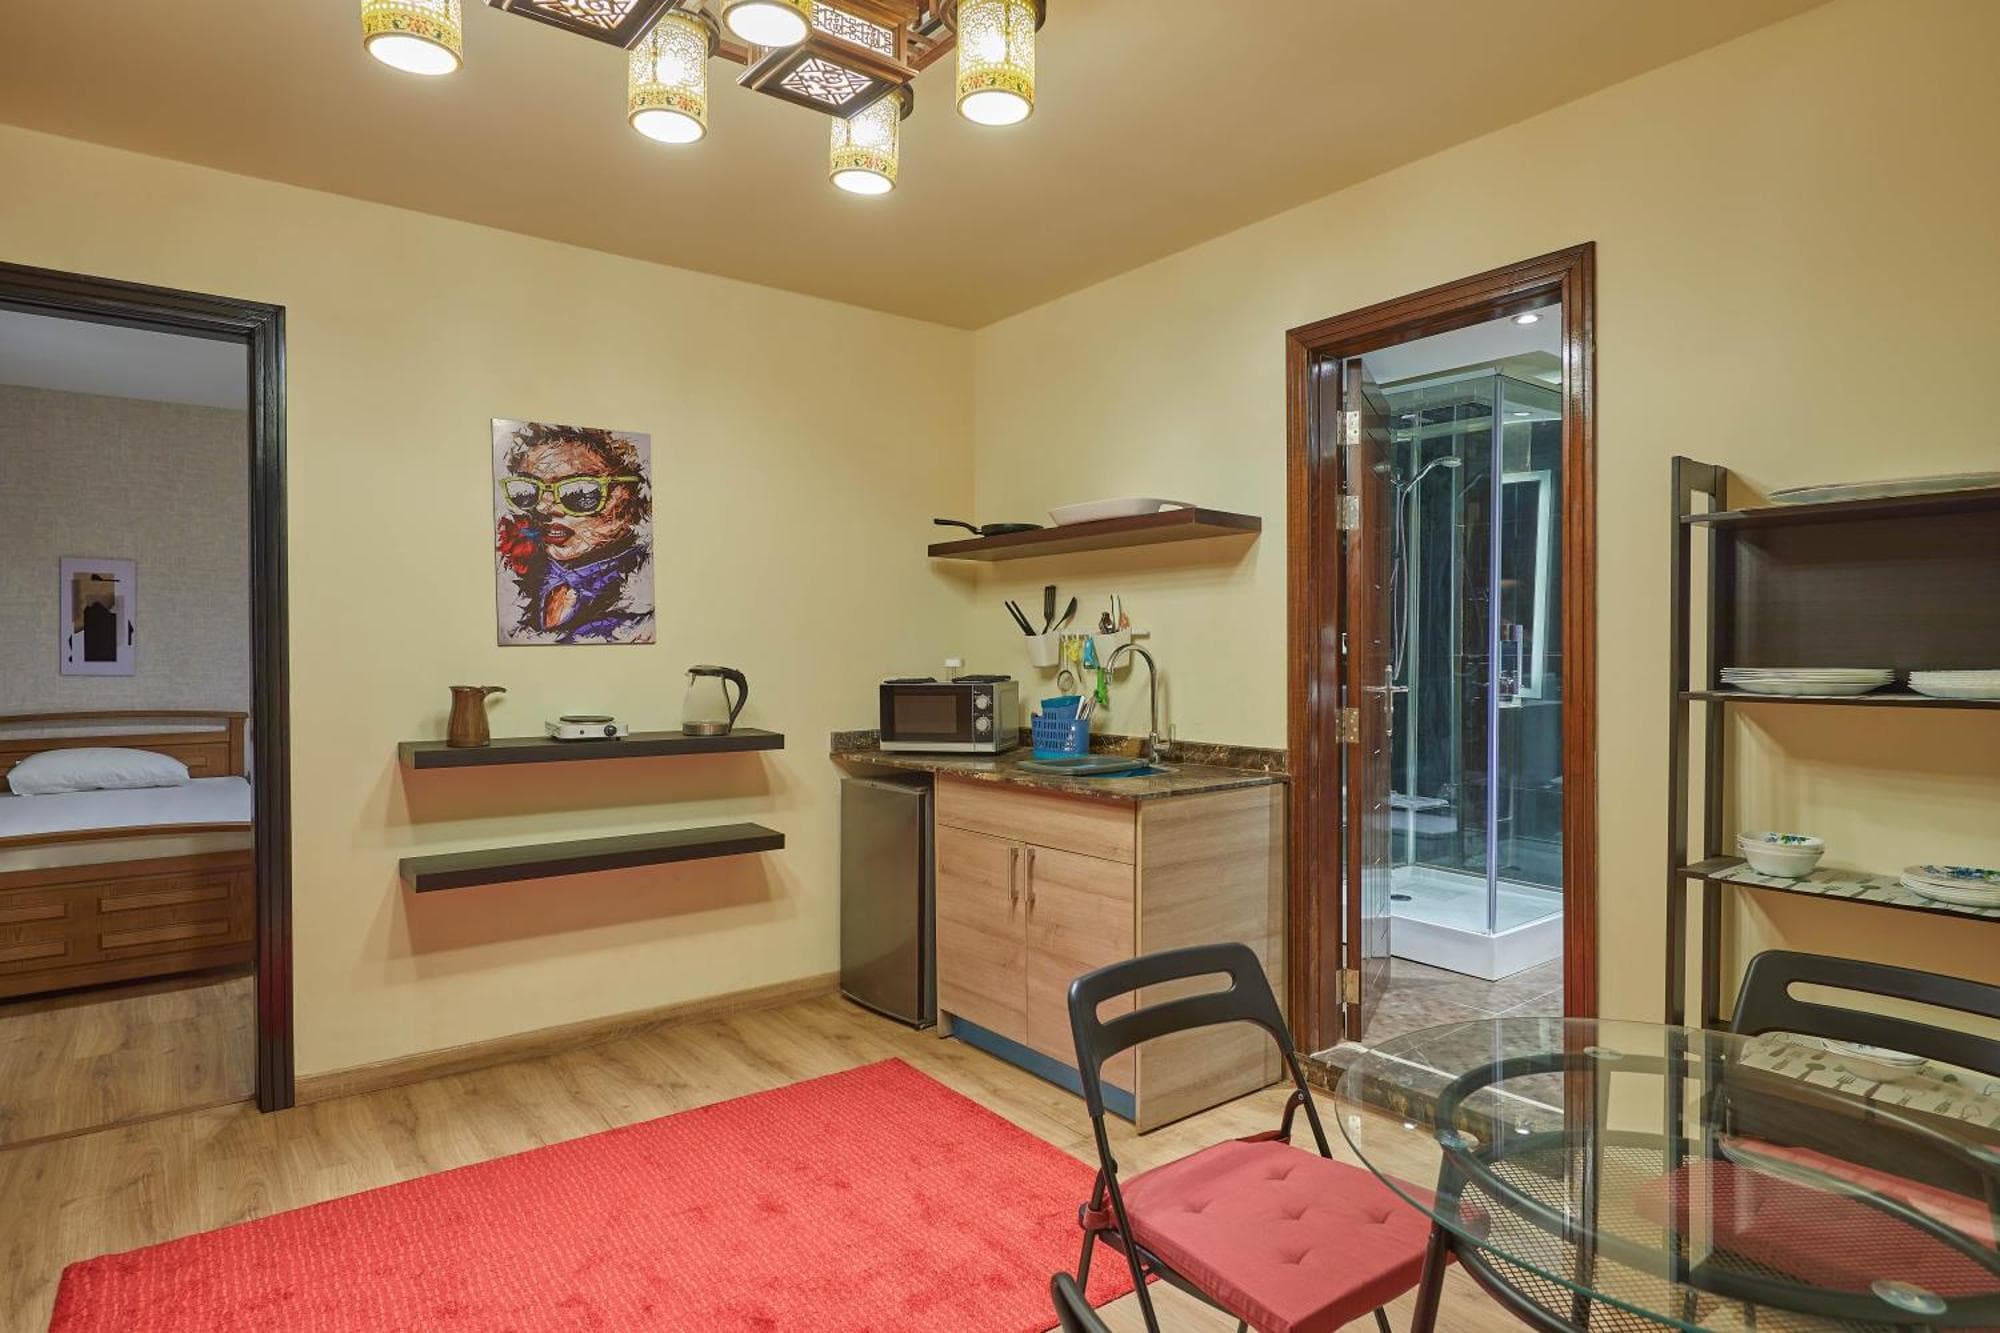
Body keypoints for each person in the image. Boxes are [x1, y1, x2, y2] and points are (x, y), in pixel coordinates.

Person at [495, 422, 654, 644]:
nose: (543, 508)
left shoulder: (642, 612)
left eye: (579, 492)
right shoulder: (516, 587)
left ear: (632, 494)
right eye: (528, 491)